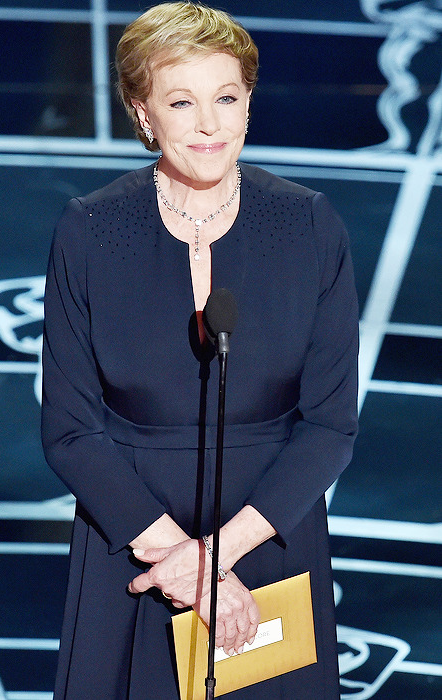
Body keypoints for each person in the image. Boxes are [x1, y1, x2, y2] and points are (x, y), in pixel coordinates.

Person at [41, 2, 359, 698]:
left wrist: (216, 563)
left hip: (268, 537)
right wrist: (182, 567)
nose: (210, 124)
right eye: (182, 102)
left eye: (227, 98)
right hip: (136, 547)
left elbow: (331, 426)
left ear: (249, 103)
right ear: (142, 113)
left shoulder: (309, 225)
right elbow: (69, 431)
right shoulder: (90, 230)